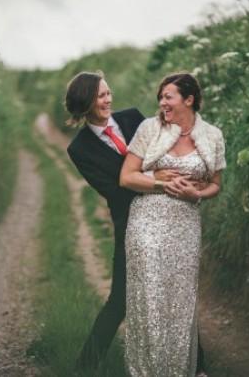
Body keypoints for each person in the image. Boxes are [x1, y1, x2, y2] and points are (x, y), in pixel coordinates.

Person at [64, 71, 207, 374]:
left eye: (108, 93)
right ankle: (83, 368)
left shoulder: (133, 119)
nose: (108, 100)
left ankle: (196, 366)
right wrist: (153, 178)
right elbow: (114, 188)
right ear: (86, 101)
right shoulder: (79, 149)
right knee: (120, 300)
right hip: (131, 224)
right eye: (100, 96)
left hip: (170, 214)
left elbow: (167, 150)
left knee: (176, 292)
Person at [119, 73, 225, 377]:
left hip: (186, 225)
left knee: (181, 300)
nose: (162, 102)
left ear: (188, 100)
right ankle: (146, 372)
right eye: (161, 97)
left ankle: (180, 370)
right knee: (149, 298)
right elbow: (126, 177)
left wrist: (197, 193)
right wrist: (158, 181)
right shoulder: (149, 129)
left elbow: (216, 184)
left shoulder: (213, 136)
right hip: (146, 223)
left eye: (169, 96)